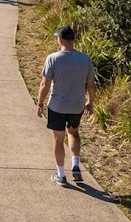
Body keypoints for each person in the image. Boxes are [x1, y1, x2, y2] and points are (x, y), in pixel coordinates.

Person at [36, 25, 95, 186]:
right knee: (74, 133)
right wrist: (90, 102)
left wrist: (40, 103)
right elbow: (91, 84)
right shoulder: (85, 59)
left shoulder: (53, 58)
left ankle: (61, 175)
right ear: (73, 40)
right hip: (77, 105)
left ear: (60, 40)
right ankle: (75, 165)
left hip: (57, 106)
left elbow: (45, 84)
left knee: (58, 137)